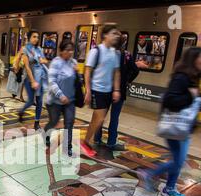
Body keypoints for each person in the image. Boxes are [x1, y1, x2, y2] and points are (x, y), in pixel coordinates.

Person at [138, 47, 201, 196]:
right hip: (175, 126)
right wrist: (190, 96)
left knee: (178, 160)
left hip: (184, 128)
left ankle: (169, 188)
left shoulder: (194, 77)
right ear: (194, 59)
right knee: (178, 161)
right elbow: (170, 101)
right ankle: (149, 174)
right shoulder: (181, 78)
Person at [93, 32, 141, 151]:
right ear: (123, 43)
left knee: (101, 116)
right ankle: (111, 142)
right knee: (114, 118)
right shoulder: (127, 55)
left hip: (105, 91)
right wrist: (127, 81)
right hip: (119, 92)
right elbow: (135, 70)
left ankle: (97, 139)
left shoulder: (107, 54)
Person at [82, 24, 121, 156]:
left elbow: (116, 72)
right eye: (113, 33)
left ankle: (88, 141)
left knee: (97, 119)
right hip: (96, 90)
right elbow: (87, 71)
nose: (116, 36)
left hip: (108, 92)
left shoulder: (115, 53)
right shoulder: (96, 51)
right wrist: (88, 90)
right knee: (99, 119)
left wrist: (116, 90)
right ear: (105, 35)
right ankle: (86, 142)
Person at [43, 40, 78, 156]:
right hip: (55, 101)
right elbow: (52, 82)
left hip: (70, 101)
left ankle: (67, 147)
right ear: (61, 51)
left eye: (71, 50)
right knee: (54, 122)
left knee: (69, 123)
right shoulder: (56, 63)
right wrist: (61, 95)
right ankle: (46, 133)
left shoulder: (73, 63)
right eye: (67, 50)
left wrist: (78, 74)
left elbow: (76, 82)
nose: (70, 52)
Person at [18, 30, 48, 130]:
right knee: (31, 101)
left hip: (40, 78)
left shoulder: (39, 49)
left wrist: (41, 60)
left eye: (37, 37)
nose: (36, 39)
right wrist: (33, 81)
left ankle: (36, 122)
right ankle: (21, 111)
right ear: (29, 38)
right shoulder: (25, 50)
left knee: (39, 101)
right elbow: (27, 67)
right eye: (34, 37)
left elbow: (45, 60)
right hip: (29, 78)